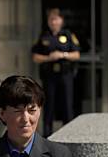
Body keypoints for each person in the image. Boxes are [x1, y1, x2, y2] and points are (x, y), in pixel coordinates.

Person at [31, 8, 81, 136]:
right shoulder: (44, 36)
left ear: (61, 21)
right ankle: (47, 135)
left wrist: (63, 55)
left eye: (56, 19)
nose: (53, 22)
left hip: (65, 75)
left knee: (67, 104)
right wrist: (49, 58)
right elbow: (35, 56)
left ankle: (68, 134)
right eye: (51, 19)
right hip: (49, 76)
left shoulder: (68, 35)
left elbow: (76, 54)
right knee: (48, 106)